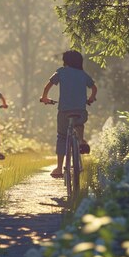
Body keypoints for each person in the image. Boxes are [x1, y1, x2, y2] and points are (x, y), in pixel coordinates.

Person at [40, 50, 97, 178]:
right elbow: (94, 88)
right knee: (79, 122)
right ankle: (81, 140)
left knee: (62, 137)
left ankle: (59, 168)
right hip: (80, 111)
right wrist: (91, 98)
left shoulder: (61, 71)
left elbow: (47, 86)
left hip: (64, 112)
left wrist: (44, 98)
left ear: (65, 61)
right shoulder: (83, 74)